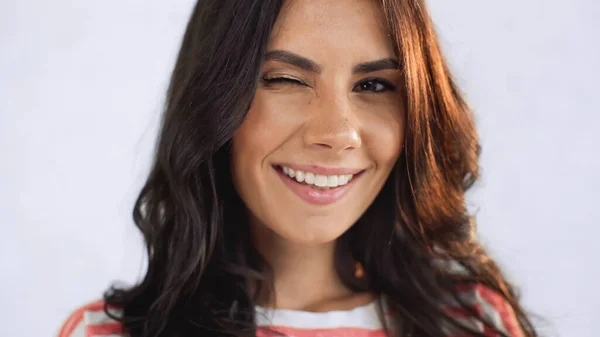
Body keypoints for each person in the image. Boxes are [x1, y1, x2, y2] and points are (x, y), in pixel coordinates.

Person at [58, 0, 539, 336]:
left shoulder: (474, 323)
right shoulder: (103, 334)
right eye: (286, 79)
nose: (338, 132)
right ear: (215, 100)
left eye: (374, 85)